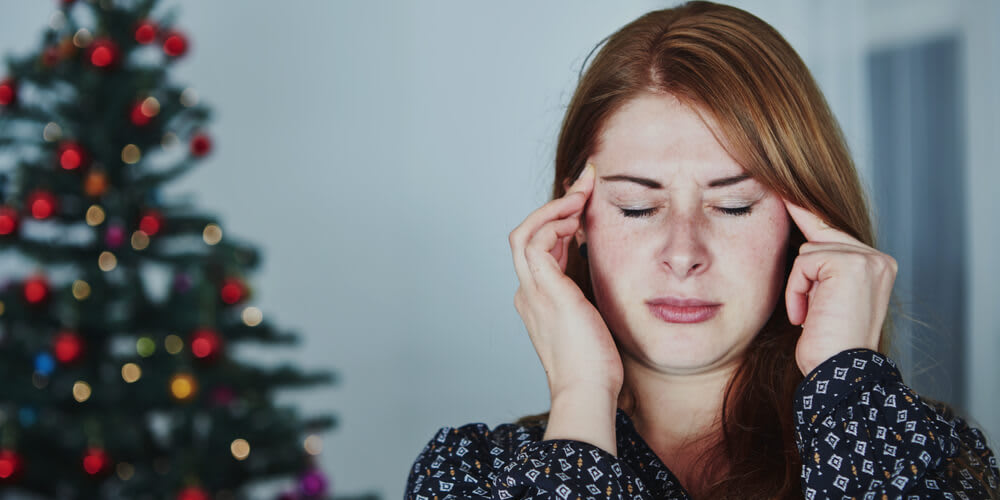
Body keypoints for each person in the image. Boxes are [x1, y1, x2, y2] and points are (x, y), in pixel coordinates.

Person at [404, 1, 999, 498]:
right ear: (574, 219)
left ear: (803, 222)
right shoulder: (467, 476)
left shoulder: (915, 449)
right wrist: (582, 397)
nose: (683, 253)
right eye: (638, 207)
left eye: (734, 204)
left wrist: (847, 384)